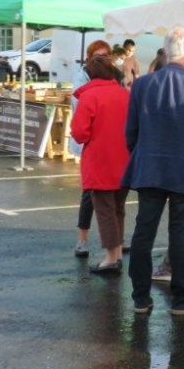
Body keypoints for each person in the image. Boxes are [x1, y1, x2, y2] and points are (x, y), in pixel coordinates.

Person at [123, 26, 184, 316]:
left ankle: (140, 297)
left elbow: (131, 133)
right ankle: (181, 299)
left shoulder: (142, 86)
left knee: (144, 233)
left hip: (150, 169)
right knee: (180, 237)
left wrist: (142, 158)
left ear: (165, 52)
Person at [70, 55, 131, 274]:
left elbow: (79, 133)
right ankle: (116, 256)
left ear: (90, 74)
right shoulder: (125, 95)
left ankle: (111, 258)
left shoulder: (89, 96)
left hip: (99, 161)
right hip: (124, 160)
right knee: (118, 210)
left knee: (105, 211)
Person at [73, 40, 112, 258]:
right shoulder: (82, 80)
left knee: (115, 196)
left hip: (111, 146)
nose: (102, 60)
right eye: (98, 56)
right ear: (89, 58)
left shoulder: (114, 77)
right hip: (93, 146)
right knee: (89, 194)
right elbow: (80, 123)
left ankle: (115, 243)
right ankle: (82, 239)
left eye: (106, 55)